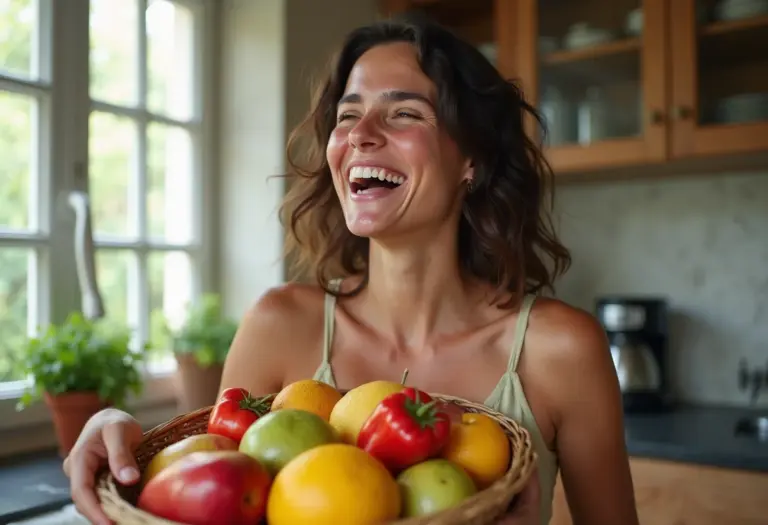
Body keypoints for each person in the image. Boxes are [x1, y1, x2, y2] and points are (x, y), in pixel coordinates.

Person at [63, 16, 639, 525]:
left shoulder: (561, 351)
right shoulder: (279, 328)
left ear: (473, 159)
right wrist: (121, 436)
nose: (360, 135)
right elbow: (215, 491)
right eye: (348, 115)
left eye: (404, 113)